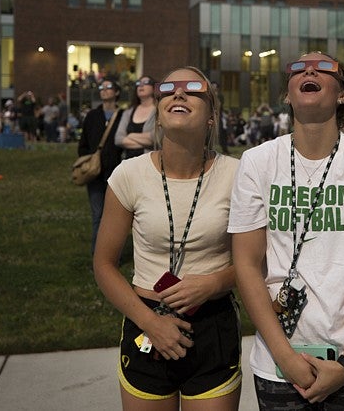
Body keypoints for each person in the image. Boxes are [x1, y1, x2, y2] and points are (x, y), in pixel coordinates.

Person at [229, 52, 344, 408]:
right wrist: (286, 359)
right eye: (298, 68)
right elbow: (247, 266)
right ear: (287, 95)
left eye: (324, 68)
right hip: (279, 365)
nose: (309, 70)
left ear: (342, 94)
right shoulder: (258, 161)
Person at [93, 66, 242, 410]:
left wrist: (214, 282)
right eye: (169, 89)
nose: (178, 93)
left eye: (193, 89)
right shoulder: (129, 175)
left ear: (211, 116)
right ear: (157, 117)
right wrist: (150, 323)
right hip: (146, 320)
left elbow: (256, 261)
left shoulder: (238, 175)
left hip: (212, 323)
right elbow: (103, 264)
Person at [78, 78, 125, 254]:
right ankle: (97, 256)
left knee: (115, 218)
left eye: (108, 87)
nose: (104, 90)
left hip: (117, 174)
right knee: (98, 215)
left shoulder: (123, 116)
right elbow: (82, 144)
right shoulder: (92, 116)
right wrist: (88, 162)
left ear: (117, 92)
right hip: (95, 175)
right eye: (101, 87)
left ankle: (113, 256)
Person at [114, 75, 157, 158]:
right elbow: (118, 139)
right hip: (128, 163)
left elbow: (156, 138)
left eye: (145, 83)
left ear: (154, 88)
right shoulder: (128, 112)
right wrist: (146, 142)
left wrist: (130, 135)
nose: (141, 85)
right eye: (138, 83)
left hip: (150, 161)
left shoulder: (159, 111)